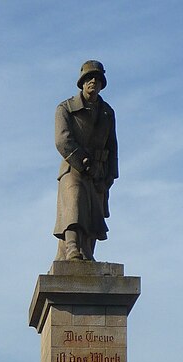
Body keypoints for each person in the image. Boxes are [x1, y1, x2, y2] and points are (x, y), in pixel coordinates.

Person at [53, 60, 118, 261]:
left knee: (94, 215)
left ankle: (87, 253)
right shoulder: (66, 108)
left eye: (98, 79)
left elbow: (112, 146)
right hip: (74, 168)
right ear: (82, 83)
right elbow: (63, 140)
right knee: (75, 204)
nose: (93, 82)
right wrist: (84, 162)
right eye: (89, 78)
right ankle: (72, 248)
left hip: (98, 173)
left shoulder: (107, 113)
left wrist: (109, 175)